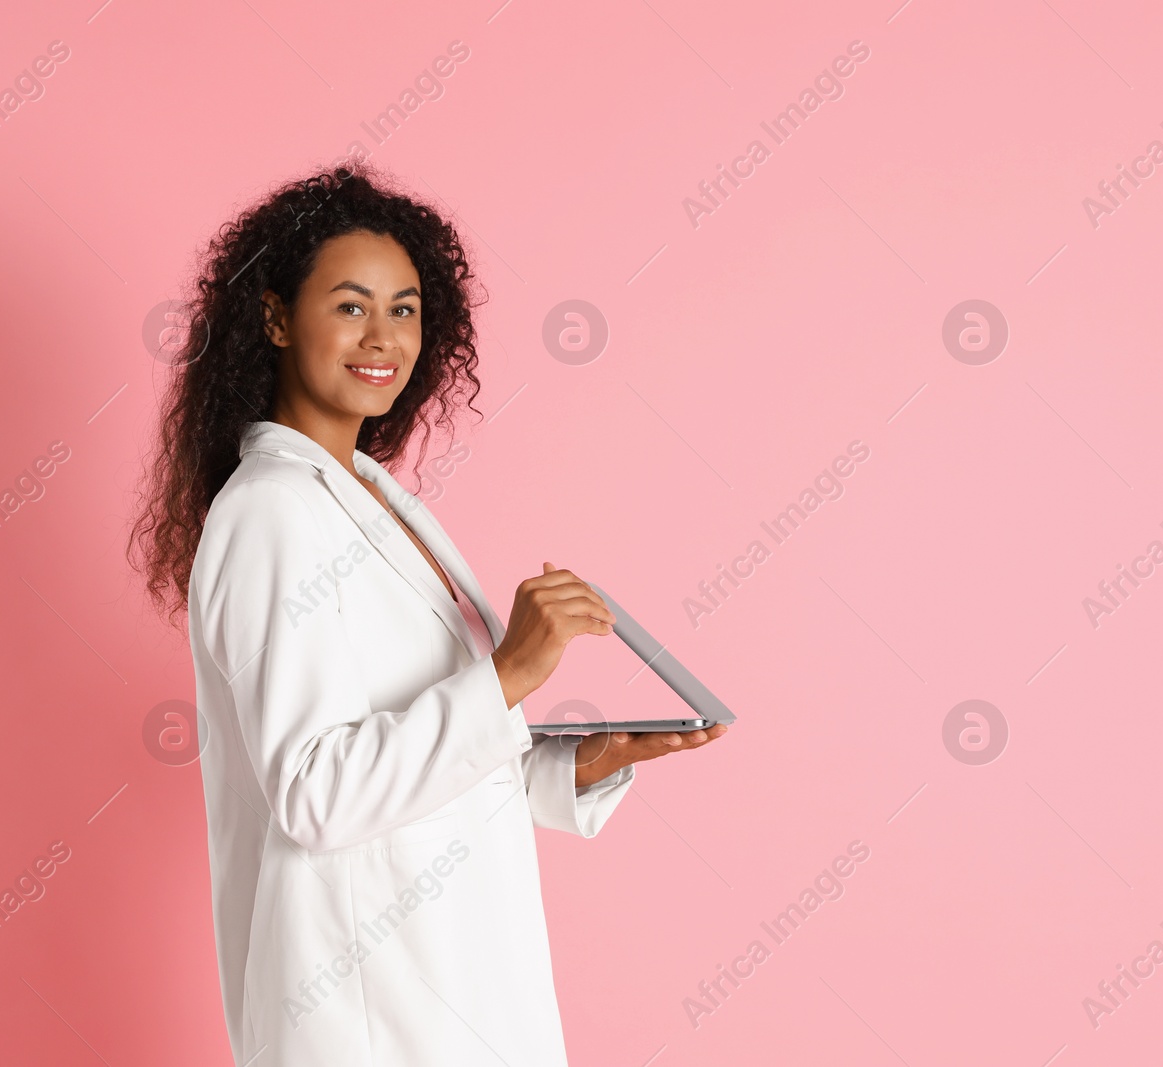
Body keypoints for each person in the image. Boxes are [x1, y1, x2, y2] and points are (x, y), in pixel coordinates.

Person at [127, 164, 730, 1066]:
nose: (384, 337)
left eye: (405, 309)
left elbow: (435, 759)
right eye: (352, 305)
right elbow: (316, 792)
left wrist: (579, 760)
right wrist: (513, 672)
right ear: (277, 317)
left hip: (463, 988)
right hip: (367, 1016)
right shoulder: (268, 515)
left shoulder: (373, 496)